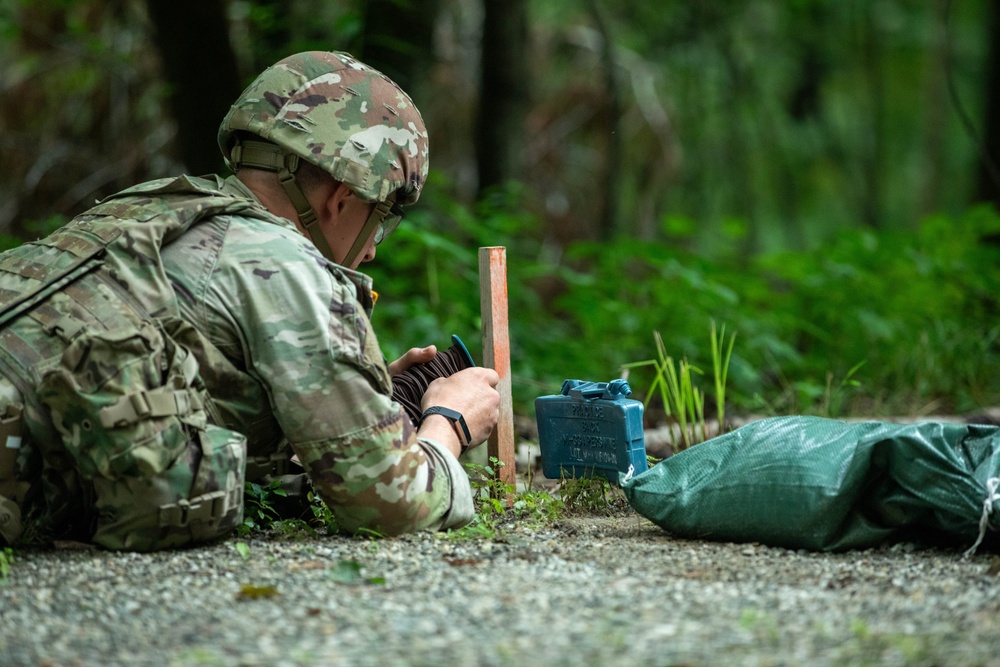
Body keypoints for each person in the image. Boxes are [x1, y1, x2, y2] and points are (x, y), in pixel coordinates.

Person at [0, 51, 500, 551]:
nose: (370, 249)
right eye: (382, 220)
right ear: (342, 200)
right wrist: (448, 422)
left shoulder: (144, 207)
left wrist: (347, 402)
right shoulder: (286, 264)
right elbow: (394, 504)